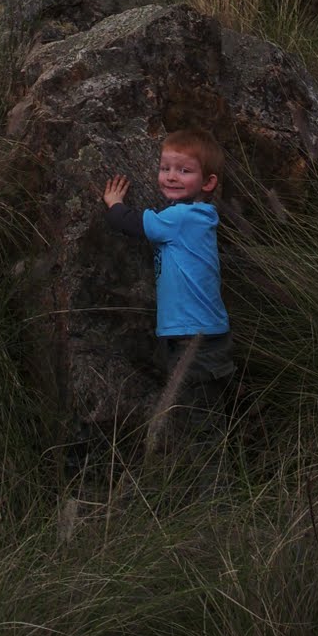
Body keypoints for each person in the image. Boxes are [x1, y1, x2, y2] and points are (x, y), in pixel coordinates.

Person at [102, 129, 234, 441]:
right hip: (193, 335)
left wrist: (114, 203)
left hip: (196, 340)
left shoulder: (184, 217)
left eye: (184, 171)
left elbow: (129, 223)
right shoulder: (191, 216)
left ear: (208, 183)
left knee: (201, 425)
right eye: (165, 168)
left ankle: (210, 473)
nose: (172, 176)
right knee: (192, 416)